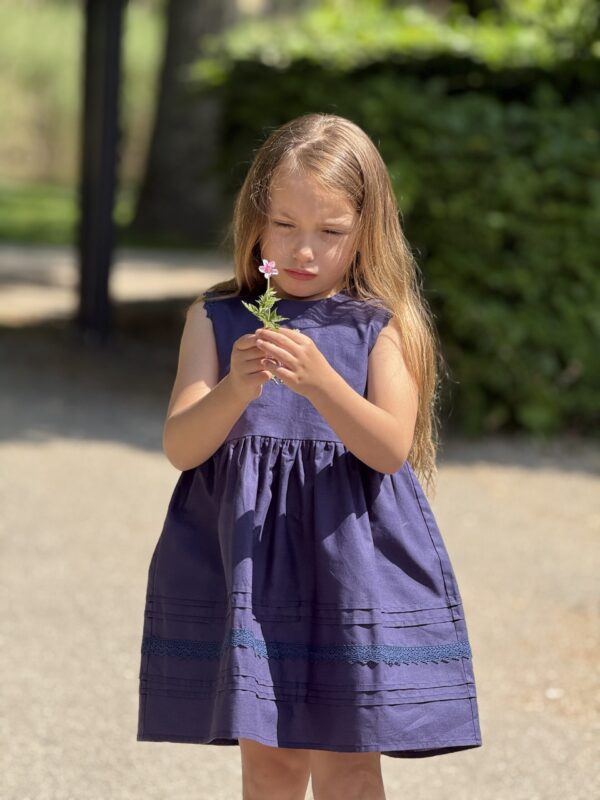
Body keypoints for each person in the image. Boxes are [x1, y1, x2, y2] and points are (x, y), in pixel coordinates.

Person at [136, 112, 482, 800]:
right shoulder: (215, 317)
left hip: (350, 573)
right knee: (270, 764)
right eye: (285, 225)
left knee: (350, 767)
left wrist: (323, 383)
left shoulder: (383, 325)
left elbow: (388, 450)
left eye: (329, 232)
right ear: (255, 222)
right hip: (251, 575)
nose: (303, 251)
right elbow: (182, 445)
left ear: (365, 232)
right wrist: (236, 387)